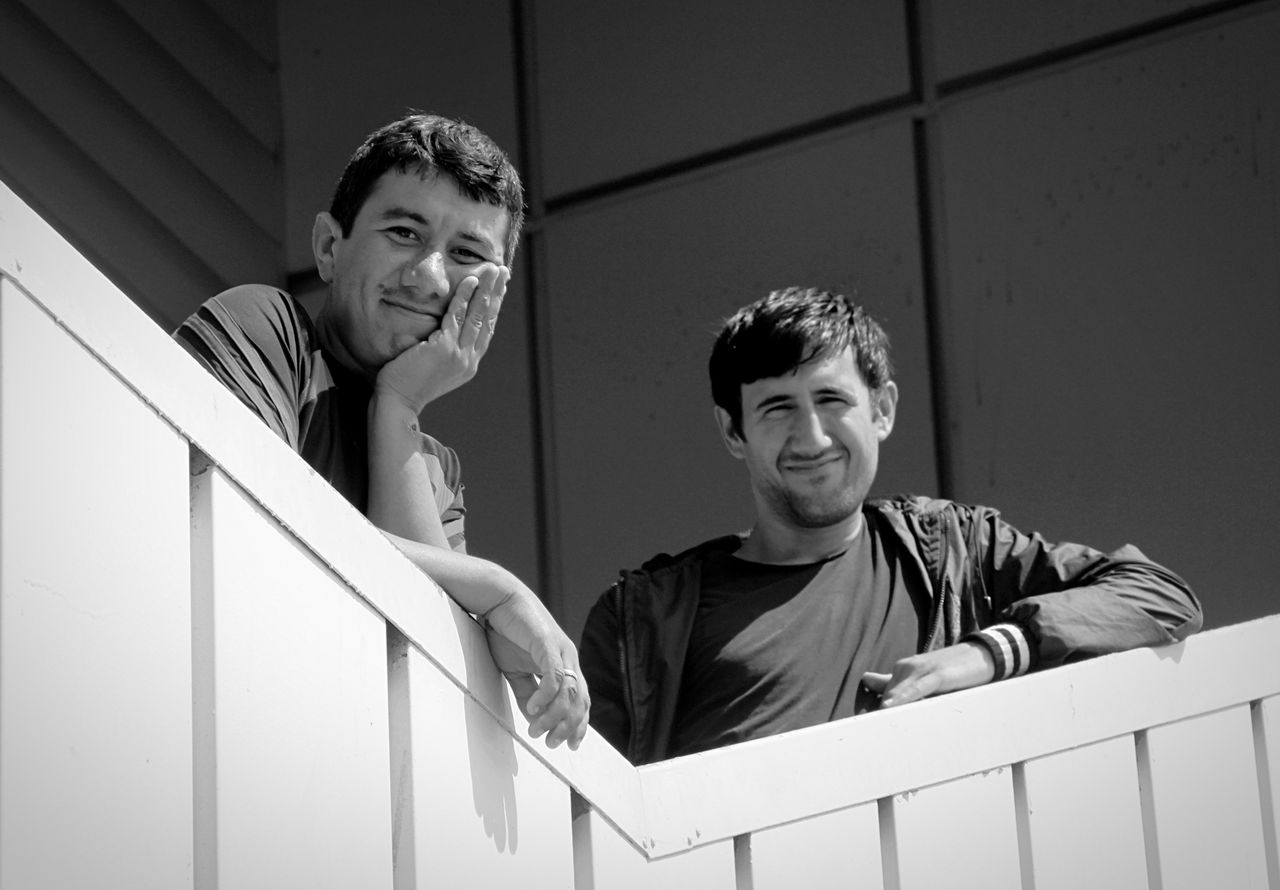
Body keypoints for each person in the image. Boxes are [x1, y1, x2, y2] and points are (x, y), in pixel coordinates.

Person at [579, 286, 1201, 765]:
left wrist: (986, 654)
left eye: (832, 400)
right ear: (733, 433)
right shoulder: (640, 620)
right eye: (776, 407)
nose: (813, 436)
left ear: (882, 410)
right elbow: (594, 821)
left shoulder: (958, 549)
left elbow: (1159, 595)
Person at [176, 112, 588, 749]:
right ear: (328, 247)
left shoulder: (435, 468)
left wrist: (397, 407)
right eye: (403, 232)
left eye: (468, 255)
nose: (427, 277)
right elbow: (251, 528)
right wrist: (497, 587)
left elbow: (417, 655)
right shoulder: (267, 327)